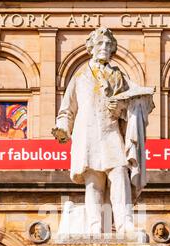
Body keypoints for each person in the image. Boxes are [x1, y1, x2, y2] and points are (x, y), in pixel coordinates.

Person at [52, 27, 155, 234]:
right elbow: (67, 110)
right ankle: (94, 226)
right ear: (91, 48)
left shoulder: (119, 76)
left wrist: (122, 109)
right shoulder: (79, 76)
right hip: (88, 135)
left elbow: (138, 104)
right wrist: (63, 128)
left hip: (111, 133)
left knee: (119, 175)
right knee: (94, 182)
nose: (105, 48)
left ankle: (125, 223)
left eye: (108, 44)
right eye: (100, 44)